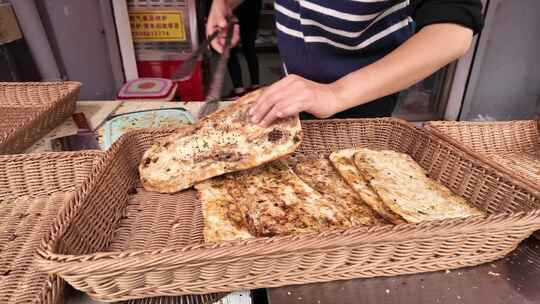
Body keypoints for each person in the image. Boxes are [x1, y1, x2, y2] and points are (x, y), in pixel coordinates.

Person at [207, 0, 483, 126]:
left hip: (364, 93)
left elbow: (451, 34)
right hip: (296, 85)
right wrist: (223, 4)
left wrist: (334, 93)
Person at [223, 0, 263, 100]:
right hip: (252, 10)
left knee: (231, 50)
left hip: (234, 11)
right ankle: (255, 86)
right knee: (250, 47)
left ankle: (239, 90)